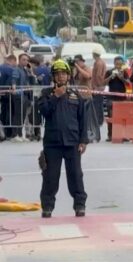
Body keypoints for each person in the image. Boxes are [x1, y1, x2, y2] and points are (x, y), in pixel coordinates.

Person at [39, 59, 88, 218]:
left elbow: (83, 119)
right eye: (57, 74)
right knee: (50, 177)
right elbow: (44, 112)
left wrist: (83, 140)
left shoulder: (75, 96)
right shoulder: (46, 94)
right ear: (53, 76)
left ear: (68, 76)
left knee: (75, 175)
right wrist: (55, 97)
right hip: (52, 144)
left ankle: (79, 205)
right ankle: (47, 207)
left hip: (72, 142)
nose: (61, 77)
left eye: (63, 73)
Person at [105, 56, 129, 141]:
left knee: (123, 117)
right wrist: (111, 76)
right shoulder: (109, 72)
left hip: (122, 98)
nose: (118, 66)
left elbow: (128, 83)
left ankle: (123, 135)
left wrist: (121, 78)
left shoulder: (124, 72)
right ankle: (110, 135)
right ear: (114, 63)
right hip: (111, 97)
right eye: (117, 64)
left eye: (120, 64)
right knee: (111, 116)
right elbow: (104, 82)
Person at [88, 50, 107, 142]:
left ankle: (96, 132)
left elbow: (99, 76)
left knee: (96, 110)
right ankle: (96, 130)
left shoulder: (98, 63)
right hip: (99, 88)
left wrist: (97, 86)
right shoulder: (101, 62)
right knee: (97, 108)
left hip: (97, 89)